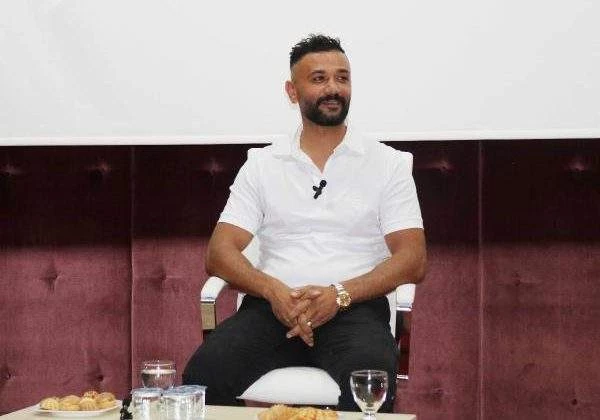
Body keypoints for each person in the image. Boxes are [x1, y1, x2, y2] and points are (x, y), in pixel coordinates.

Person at [183, 34, 426, 412]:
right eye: (319, 78)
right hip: (272, 308)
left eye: (342, 78)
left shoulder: (387, 164)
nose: (333, 88)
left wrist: (338, 295)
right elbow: (219, 253)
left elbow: (413, 259)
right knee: (204, 376)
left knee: (370, 383)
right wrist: (274, 291)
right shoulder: (262, 165)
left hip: (354, 308)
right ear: (292, 91)